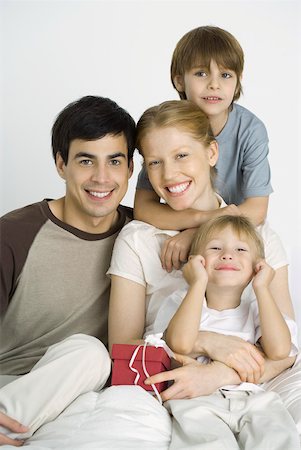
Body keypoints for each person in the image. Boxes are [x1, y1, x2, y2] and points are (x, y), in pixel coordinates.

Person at [108, 100, 301, 445]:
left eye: (182, 155)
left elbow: (287, 350)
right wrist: (206, 341)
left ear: (212, 152)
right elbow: (122, 346)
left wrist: (220, 373)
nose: (169, 175)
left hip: (255, 385)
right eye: (155, 163)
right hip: (179, 379)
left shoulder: (260, 237)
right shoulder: (138, 239)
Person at [0, 95, 136, 446]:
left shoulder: (142, 236)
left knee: (92, 355)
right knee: (92, 352)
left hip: (80, 386)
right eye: (86, 160)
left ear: (131, 169)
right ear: (61, 164)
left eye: (115, 161)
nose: (102, 178)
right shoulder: (14, 234)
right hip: (10, 381)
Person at [134, 25, 273, 271]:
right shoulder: (165, 130)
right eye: (201, 73)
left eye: (226, 75)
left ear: (238, 80)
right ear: (179, 80)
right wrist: (198, 221)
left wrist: (199, 233)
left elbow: (257, 209)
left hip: (235, 238)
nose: (214, 85)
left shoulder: (251, 130)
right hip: (179, 223)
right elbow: (143, 207)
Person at [158, 215, 299, 449]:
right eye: (215, 247)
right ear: (196, 262)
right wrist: (197, 283)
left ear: (258, 267)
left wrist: (262, 287)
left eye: (240, 249)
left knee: (278, 439)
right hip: (197, 399)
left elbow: (280, 350)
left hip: (255, 398)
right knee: (205, 443)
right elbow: (179, 343)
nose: (227, 254)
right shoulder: (183, 302)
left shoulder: (257, 308)